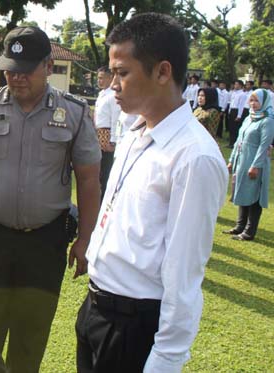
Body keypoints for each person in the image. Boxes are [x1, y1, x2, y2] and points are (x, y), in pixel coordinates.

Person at [75, 13, 228, 372]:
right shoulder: (134, 132)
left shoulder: (194, 158)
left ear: (162, 72)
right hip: (97, 308)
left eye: (123, 73)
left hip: (134, 323)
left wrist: (166, 360)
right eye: (111, 72)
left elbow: (184, 272)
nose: (112, 85)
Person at [0, 26, 101, 372]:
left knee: (30, 336)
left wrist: (85, 239)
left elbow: (89, 179)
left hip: (46, 241)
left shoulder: (74, 114)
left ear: (48, 66)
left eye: (25, 69)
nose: (15, 77)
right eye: (10, 68)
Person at [223, 88, 274, 241]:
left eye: (256, 100)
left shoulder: (268, 120)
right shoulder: (249, 118)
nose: (253, 104)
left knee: (254, 195)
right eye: (251, 100)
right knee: (242, 190)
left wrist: (256, 165)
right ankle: (239, 226)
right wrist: (232, 160)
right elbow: (239, 140)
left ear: (264, 102)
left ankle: (249, 231)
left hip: (255, 161)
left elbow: (264, 145)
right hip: (242, 159)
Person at [94, 66, 121, 196]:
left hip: (107, 134)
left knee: (105, 170)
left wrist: (113, 141)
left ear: (110, 77)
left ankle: (105, 197)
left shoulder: (112, 95)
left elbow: (116, 119)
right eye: (98, 78)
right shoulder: (102, 94)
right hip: (98, 133)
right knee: (97, 170)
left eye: (101, 78)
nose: (99, 81)